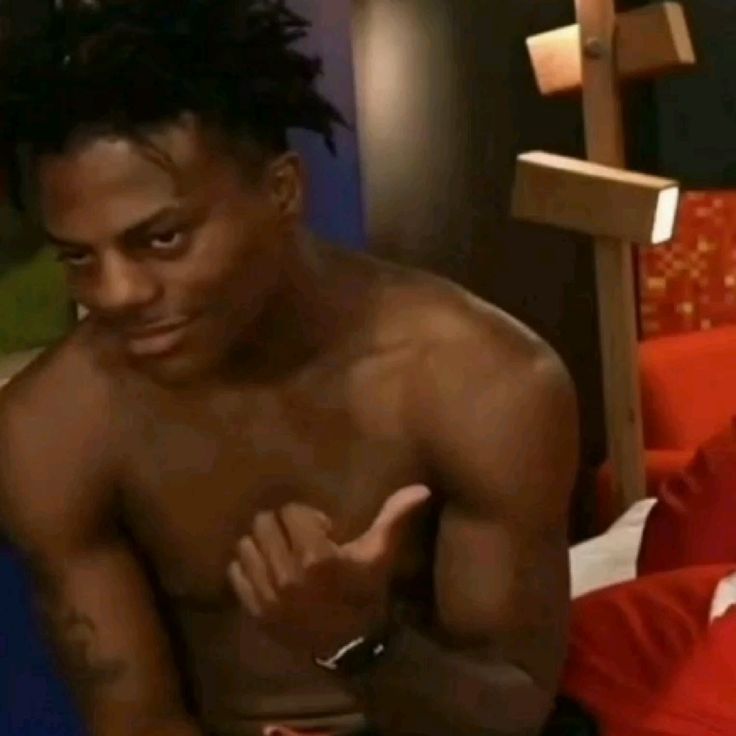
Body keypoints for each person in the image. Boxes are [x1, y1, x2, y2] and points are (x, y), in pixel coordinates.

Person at [0, 2, 579, 735]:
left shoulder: (484, 382)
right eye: (79, 257)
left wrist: (360, 644)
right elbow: (137, 719)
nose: (115, 294)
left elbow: (515, 713)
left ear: (282, 192)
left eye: (162, 239)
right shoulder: (51, 426)